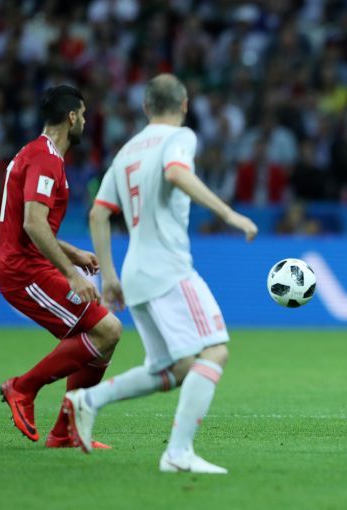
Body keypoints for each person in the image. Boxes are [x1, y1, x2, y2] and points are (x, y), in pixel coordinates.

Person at [63, 74, 258, 474]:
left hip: (135, 271)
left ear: (146, 107)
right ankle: (178, 453)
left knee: (174, 367)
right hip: (168, 267)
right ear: (184, 105)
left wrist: (109, 276)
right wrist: (228, 213)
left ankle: (88, 400)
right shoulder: (180, 137)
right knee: (215, 350)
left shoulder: (127, 151)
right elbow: (176, 173)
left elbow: (98, 213)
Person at [0, 85, 122, 447]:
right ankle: (23, 388)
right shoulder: (46, 158)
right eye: (82, 115)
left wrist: (73, 253)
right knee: (107, 331)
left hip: (31, 264)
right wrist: (71, 275)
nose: (84, 121)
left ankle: (65, 432)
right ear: (71, 117)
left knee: (103, 337)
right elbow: (33, 224)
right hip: (24, 272)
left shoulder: (34, 153)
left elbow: (32, 223)